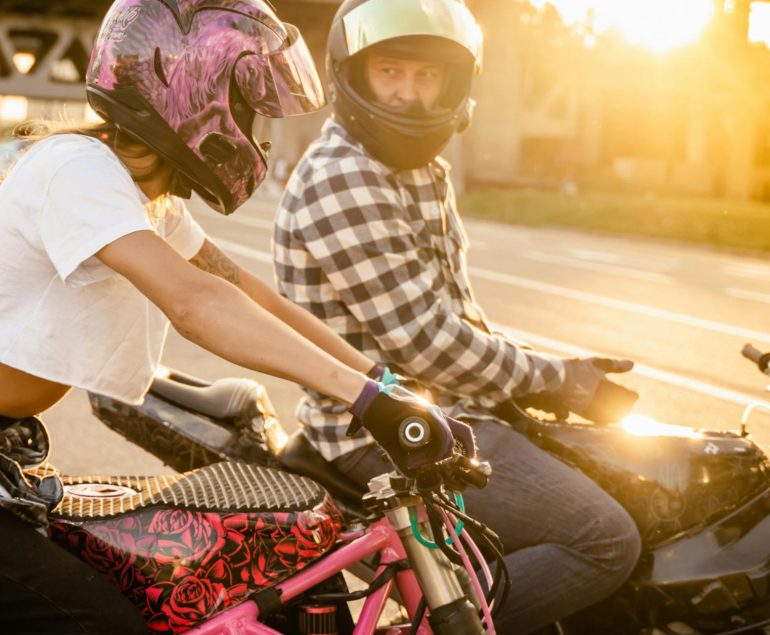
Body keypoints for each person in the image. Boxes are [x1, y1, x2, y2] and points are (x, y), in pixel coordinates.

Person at [0, 1, 471, 633]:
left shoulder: (147, 200)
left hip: (11, 443)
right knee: (97, 619)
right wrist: (362, 398)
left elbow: (249, 292)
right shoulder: (77, 170)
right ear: (188, 94)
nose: (257, 130)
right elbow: (197, 302)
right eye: (247, 107)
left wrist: (386, 385)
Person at [273, 0, 643, 632]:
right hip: (387, 432)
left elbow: (458, 317)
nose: (411, 96)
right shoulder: (345, 177)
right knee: (605, 538)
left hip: (443, 408)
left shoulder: (417, 170)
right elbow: (428, 344)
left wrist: (539, 380)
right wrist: (558, 377)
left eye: (427, 77)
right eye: (391, 72)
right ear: (354, 75)